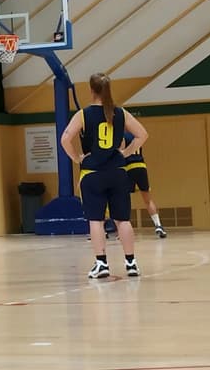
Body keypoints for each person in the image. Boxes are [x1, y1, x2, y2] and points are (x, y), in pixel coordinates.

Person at [60, 73, 148, 279]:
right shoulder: (121, 113)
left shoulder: (83, 115)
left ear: (91, 90)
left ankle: (101, 264)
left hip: (93, 173)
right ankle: (131, 263)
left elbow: (65, 138)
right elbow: (142, 134)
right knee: (123, 220)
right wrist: (125, 153)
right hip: (118, 172)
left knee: (96, 220)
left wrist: (77, 158)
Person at [122, 132, 166, 238]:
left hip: (128, 167)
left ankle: (124, 229)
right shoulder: (137, 136)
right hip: (141, 166)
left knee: (124, 198)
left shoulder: (121, 135)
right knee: (147, 199)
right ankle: (158, 225)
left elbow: (121, 152)